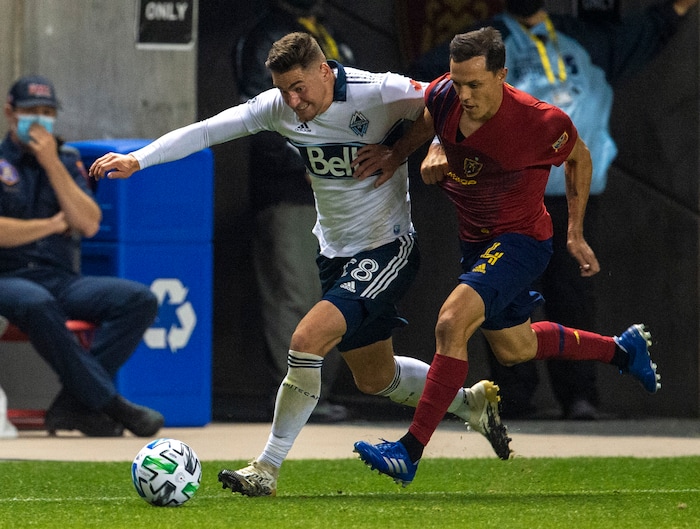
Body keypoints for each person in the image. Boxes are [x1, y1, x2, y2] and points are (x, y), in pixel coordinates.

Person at [89, 32, 512, 497]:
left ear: (324, 71)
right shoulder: (279, 106)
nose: (292, 101)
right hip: (334, 252)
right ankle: (470, 405)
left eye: (299, 88)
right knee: (375, 377)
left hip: (388, 248)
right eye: (283, 89)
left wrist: (427, 149)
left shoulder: (380, 91)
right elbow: (209, 129)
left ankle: (266, 467)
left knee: (306, 340)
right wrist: (138, 159)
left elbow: (449, 98)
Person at [353, 27, 660, 487]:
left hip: (521, 241)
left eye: (476, 84)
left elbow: (580, 158)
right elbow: (433, 120)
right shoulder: (444, 94)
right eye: (458, 82)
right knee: (515, 349)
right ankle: (621, 350)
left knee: (450, 322)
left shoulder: (539, 122)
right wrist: (402, 153)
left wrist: (575, 234)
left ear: (502, 75)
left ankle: (409, 450)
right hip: (476, 243)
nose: (465, 94)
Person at [411, 0, 698, 421]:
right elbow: (429, 96)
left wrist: (678, 7)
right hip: (501, 196)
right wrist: (437, 143)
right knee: (499, 311)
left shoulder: (584, 38)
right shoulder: (484, 47)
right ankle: (514, 396)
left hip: (568, 195)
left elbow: (648, 31)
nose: (467, 92)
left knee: (572, 294)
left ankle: (580, 393)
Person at [0, 75, 164, 438]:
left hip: (60, 278)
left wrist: (51, 164)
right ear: (11, 113)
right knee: (37, 302)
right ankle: (111, 405)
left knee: (138, 300)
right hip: (8, 278)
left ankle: (73, 406)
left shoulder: (66, 159)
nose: (40, 121)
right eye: (31, 112)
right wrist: (50, 225)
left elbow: (88, 223)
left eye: (47, 112)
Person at [233, 0, 354, 423]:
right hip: (291, 193)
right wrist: (307, 163)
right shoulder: (268, 34)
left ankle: (316, 394)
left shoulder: (329, 30)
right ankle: (298, 396)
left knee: (338, 295)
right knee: (298, 296)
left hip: (339, 195)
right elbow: (258, 114)